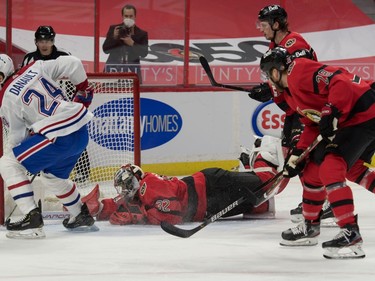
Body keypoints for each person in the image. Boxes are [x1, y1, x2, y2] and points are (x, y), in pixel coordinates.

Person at [260, 46, 375, 259]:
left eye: (268, 74)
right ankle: (310, 227)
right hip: (348, 119)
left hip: (364, 113)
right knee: (312, 169)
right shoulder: (292, 96)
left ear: (276, 71)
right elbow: (311, 123)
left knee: (332, 166)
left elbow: (339, 80)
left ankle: (351, 234)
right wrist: (297, 155)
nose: (268, 80)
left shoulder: (298, 71)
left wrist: (331, 110)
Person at [82, 135, 288, 225]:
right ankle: (250, 168)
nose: (124, 191)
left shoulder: (148, 185)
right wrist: (98, 208)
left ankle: (266, 151)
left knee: (269, 183)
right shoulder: (138, 195)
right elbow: (120, 205)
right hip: (210, 206)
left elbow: (175, 213)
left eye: (127, 185)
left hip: (211, 186)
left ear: (136, 180)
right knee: (259, 202)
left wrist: (139, 216)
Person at [0, 54, 98, 238]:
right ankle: (80, 215)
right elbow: (74, 63)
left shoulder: (6, 99)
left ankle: (32, 220)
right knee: (52, 176)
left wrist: (19, 165)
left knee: (7, 163)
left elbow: (16, 137)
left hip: (58, 136)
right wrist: (83, 89)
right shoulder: (34, 67)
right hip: (80, 130)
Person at [248, 4, 319, 221]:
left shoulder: (295, 44)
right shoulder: (274, 46)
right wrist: (269, 90)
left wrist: (270, 89)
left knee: (304, 157)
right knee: (290, 154)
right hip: (294, 110)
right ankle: (316, 200)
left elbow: (301, 78)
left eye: (264, 24)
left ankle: (320, 202)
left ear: (276, 24)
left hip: (306, 108)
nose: (260, 28)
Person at [21, 25, 90, 184]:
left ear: (53, 40)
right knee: (36, 139)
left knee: (74, 133)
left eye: (48, 40)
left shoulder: (64, 56)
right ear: (36, 42)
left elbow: (76, 80)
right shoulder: (29, 59)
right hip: (39, 108)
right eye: (41, 40)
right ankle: (37, 172)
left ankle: (83, 171)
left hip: (61, 106)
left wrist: (73, 104)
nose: (44, 44)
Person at [102, 4, 148, 83]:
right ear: (122, 16)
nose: (128, 18)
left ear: (135, 17)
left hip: (132, 71)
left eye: (131, 16)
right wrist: (114, 37)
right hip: (113, 70)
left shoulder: (142, 34)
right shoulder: (114, 29)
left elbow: (144, 53)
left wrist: (132, 43)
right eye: (126, 16)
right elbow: (105, 49)